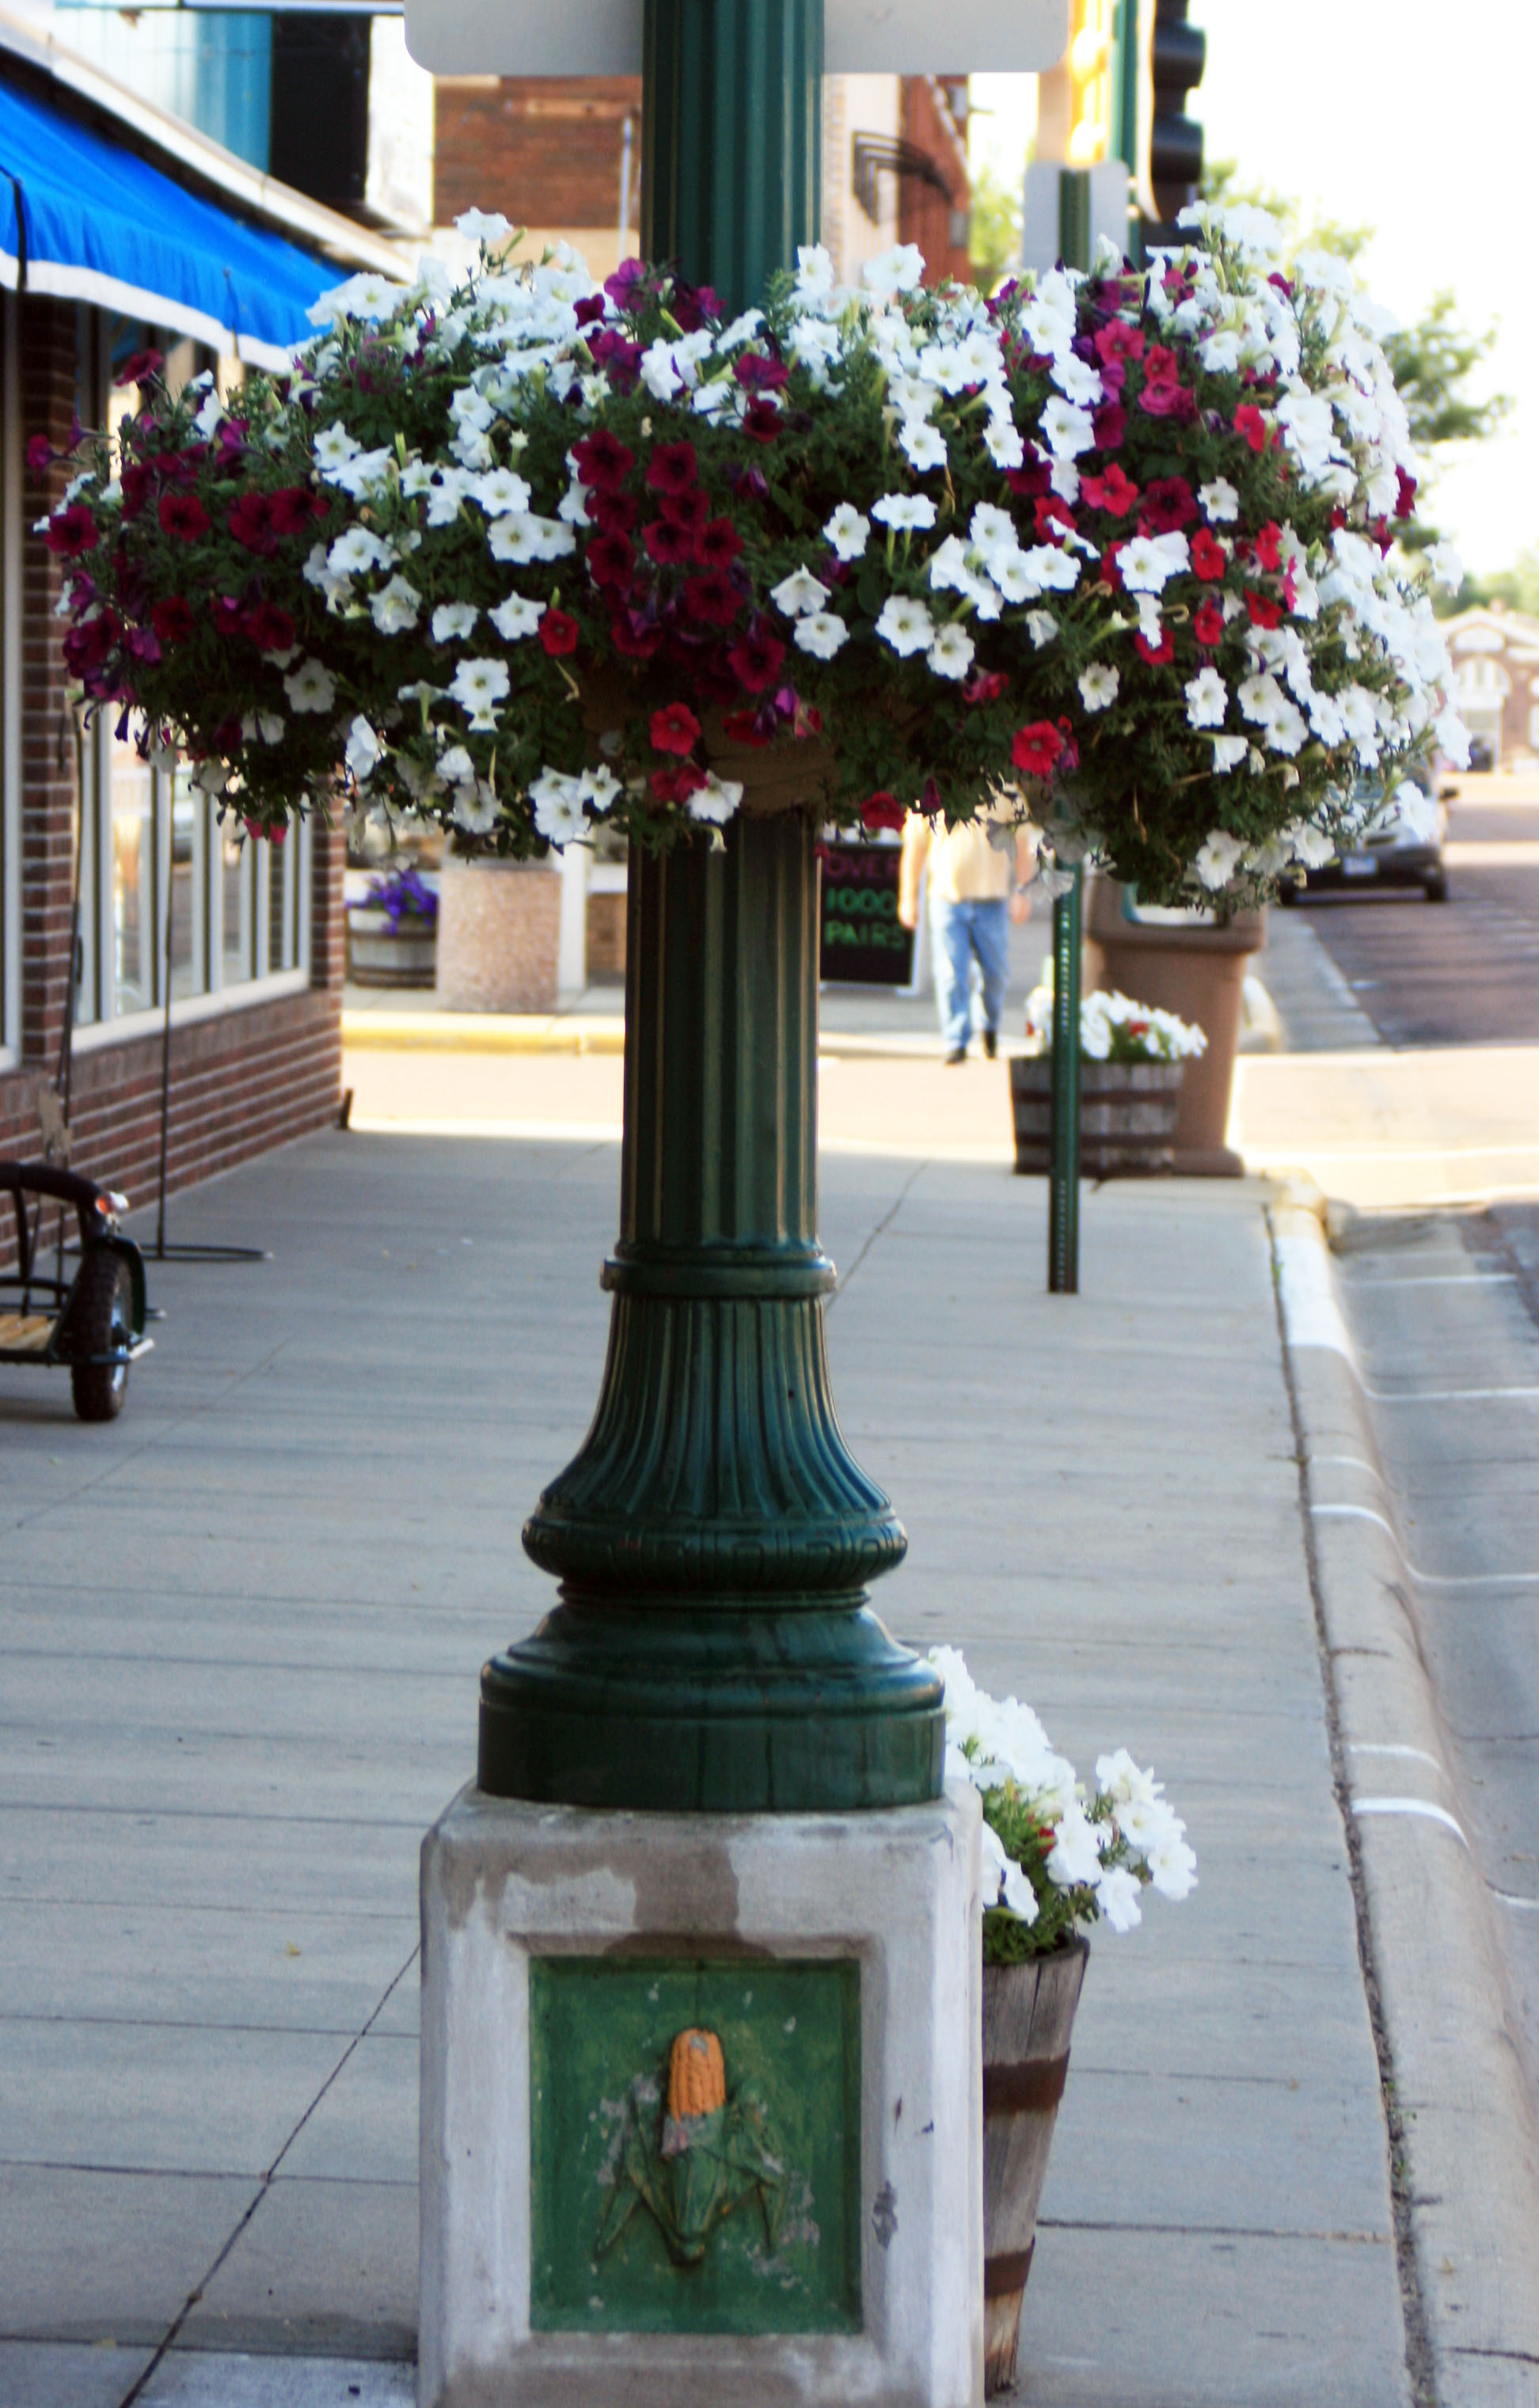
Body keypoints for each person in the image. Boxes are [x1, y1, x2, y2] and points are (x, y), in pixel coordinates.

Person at [897, 807, 1034, 1062]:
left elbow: (1021, 844)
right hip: (946, 898)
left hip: (992, 899)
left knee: (996, 973)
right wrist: (907, 896)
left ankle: (989, 1025)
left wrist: (1023, 891)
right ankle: (956, 1039)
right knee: (950, 973)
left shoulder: (1004, 791)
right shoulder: (930, 793)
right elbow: (915, 848)